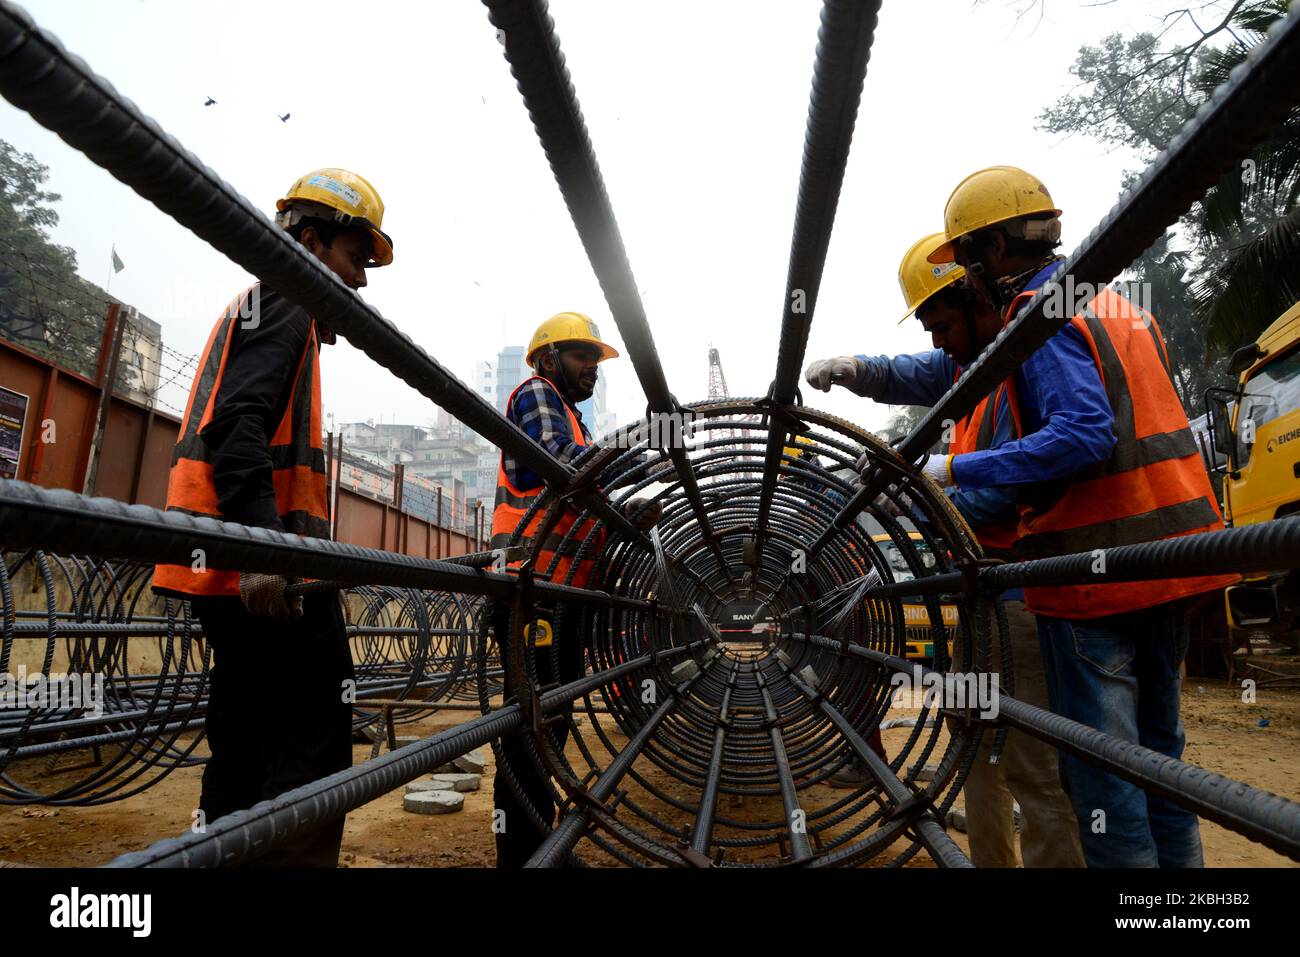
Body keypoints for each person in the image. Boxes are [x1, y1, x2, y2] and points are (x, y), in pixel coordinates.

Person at [922, 165, 1237, 867]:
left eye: (966, 259)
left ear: (991, 250)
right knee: (1163, 770)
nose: (966, 277)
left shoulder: (1040, 318)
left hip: (1096, 583)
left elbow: (1083, 434)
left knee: (1105, 778)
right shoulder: (1117, 305)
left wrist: (954, 468)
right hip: (1171, 564)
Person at [804, 232, 1083, 866]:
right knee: (973, 745)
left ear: (981, 300)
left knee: (1033, 763)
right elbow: (919, 371)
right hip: (980, 598)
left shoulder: (1019, 371)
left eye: (942, 322)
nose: (935, 340)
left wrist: (923, 496)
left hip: (1020, 598)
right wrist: (860, 370)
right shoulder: (972, 367)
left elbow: (1012, 495)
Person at [153, 168, 395, 867]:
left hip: (241, 565)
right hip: (263, 575)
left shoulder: (266, 305)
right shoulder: (289, 295)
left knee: (246, 739)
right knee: (311, 741)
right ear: (312, 243)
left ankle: (220, 855)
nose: (362, 283)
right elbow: (238, 425)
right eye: (357, 259)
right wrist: (264, 552)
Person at [489, 311, 663, 867]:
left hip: (559, 592)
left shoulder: (573, 421)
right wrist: (638, 451)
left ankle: (540, 840)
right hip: (532, 586)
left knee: (550, 721)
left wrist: (624, 511)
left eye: (595, 358)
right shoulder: (538, 395)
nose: (592, 366)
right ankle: (524, 852)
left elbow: (578, 489)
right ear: (547, 358)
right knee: (531, 727)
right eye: (581, 355)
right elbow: (563, 465)